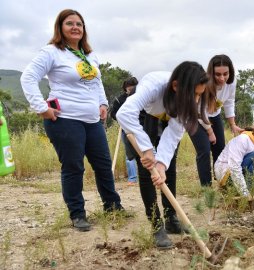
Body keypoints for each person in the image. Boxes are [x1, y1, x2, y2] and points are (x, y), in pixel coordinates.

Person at [20, 9, 123, 232]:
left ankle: (113, 206)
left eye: (79, 24)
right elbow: (28, 77)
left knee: (104, 165)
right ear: (60, 27)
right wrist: (41, 108)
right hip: (65, 120)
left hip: (92, 121)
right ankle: (78, 214)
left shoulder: (89, 55)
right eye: (69, 23)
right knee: (74, 167)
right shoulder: (52, 52)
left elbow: (97, 83)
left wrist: (103, 104)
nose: (75, 27)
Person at [116, 61, 209, 249]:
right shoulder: (153, 85)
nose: (197, 100)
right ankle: (156, 224)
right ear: (176, 86)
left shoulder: (187, 102)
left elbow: (173, 134)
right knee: (146, 169)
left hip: (169, 116)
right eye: (195, 94)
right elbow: (124, 113)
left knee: (169, 165)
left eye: (201, 94)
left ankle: (171, 216)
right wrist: (147, 149)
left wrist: (162, 164)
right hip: (143, 116)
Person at [189, 54, 244, 187]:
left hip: (215, 116)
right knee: (204, 150)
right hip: (196, 117)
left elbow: (229, 102)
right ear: (211, 73)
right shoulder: (203, 83)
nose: (222, 78)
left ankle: (221, 182)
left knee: (220, 149)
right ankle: (206, 187)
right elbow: (199, 111)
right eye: (217, 74)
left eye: (225, 74)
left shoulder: (231, 82)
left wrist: (232, 124)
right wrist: (210, 131)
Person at [110, 77, 140, 186]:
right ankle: (132, 178)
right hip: (126, 129)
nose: (131, 91)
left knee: (148, 151)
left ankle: (153, 175)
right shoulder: (120, 100)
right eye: (129, 89)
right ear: (125, 89)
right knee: (130, 154)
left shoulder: (142, 97)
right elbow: (113, 114)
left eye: (133, 88)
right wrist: (121, 119)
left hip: (141, 128)